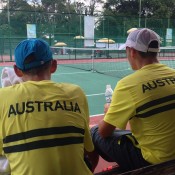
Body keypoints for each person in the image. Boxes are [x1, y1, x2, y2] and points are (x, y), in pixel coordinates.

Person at [0, 38, 98, 175]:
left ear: (17, 70)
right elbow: (90, 151)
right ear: (53, 65)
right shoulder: (76, 93)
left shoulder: (2, 97)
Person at [91, 28, 175, 172]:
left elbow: (104, 132)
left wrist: (109, 112)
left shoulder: (128, 84)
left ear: (132, 51)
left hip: (156, 161)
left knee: (94, 132)